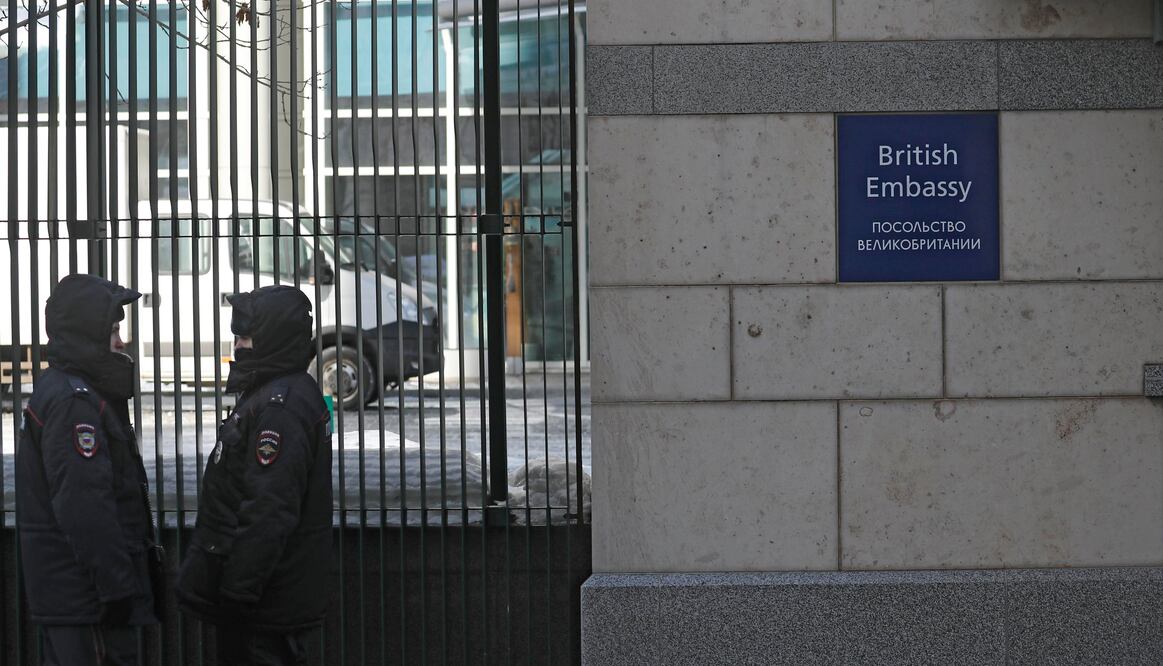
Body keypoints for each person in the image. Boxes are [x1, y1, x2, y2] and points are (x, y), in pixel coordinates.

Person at [177, 285, 332, 665]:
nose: (238, 345)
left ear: (272, 337)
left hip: (265, 609)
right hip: (265, 602)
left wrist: (237, 594)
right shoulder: (272, 393)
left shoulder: (281, 407)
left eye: (246, 336)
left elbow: (268, 510)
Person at [16, 274, 159, 665]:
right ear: (88, 332)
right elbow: (85, 507)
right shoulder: (74, 402)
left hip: (78, 598)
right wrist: (116, 588)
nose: (121, 341)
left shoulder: (72, 391)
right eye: (113, 330)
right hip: (87, 601)